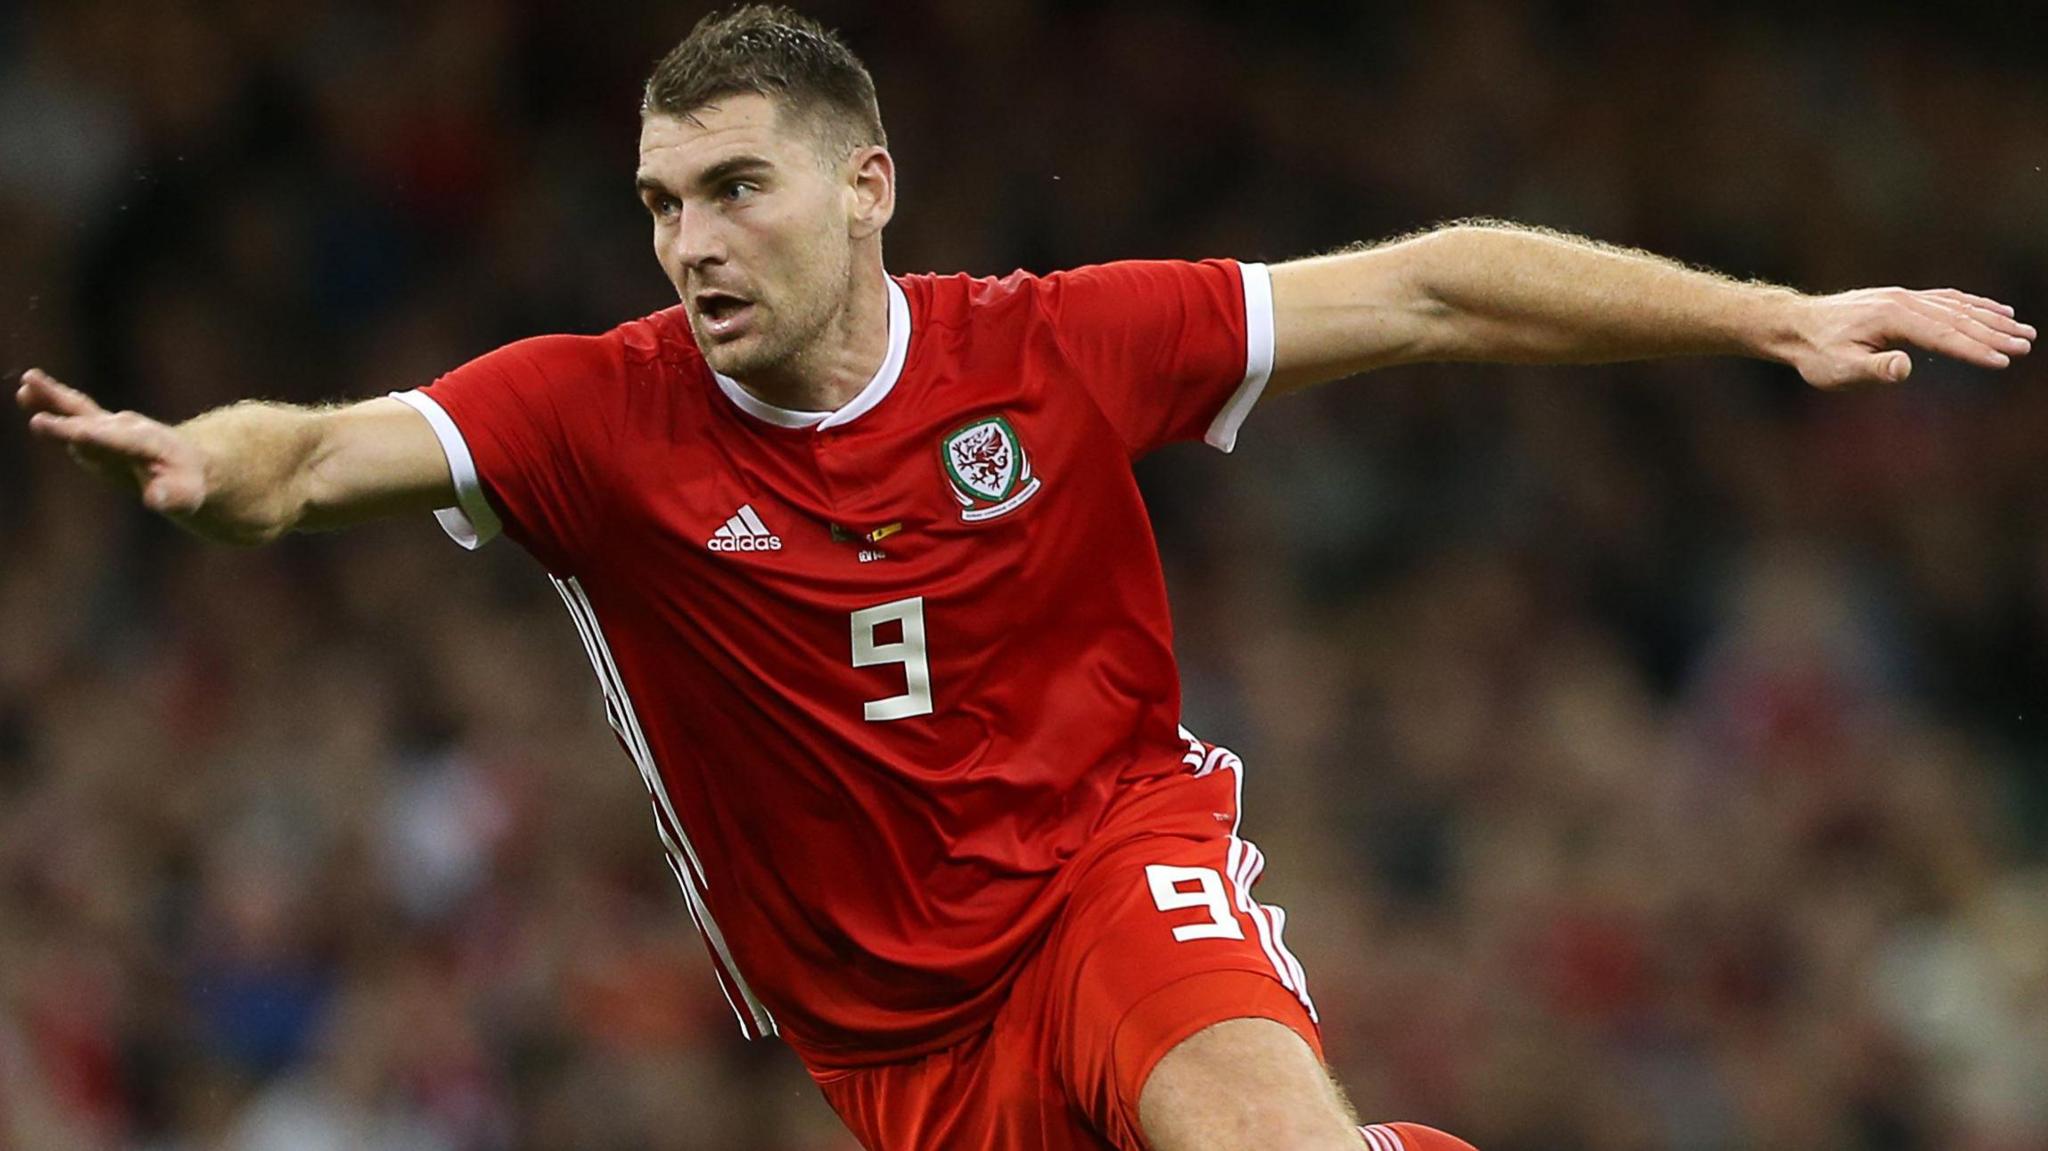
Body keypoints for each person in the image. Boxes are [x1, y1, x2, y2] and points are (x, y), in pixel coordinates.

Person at [15, 5, 2033, 1149]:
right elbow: (319, 454)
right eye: (659, 202)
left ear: (866, 184)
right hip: (893, 1052)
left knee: (1252, 1125)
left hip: (1104, 875)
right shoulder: (592, 417)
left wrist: (1768, 313)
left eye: (736, 187)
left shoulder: (1052, 349)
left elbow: (1427, 286)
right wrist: (208, 466)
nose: (691, 242)